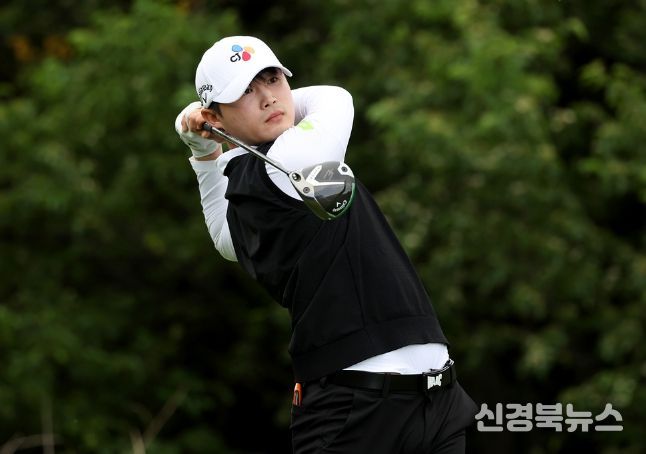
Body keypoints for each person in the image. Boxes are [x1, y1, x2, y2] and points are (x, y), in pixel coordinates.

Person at [175, 35, 478, 454]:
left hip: (436, 400)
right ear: (216, 116)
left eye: (272, 79)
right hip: (355, 412)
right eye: (245, 91)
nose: (268, 98)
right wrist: (204, 127)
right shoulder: (294, 157)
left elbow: (219, 225)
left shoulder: (241, 196)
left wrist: (200, 141)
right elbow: (335, 96)